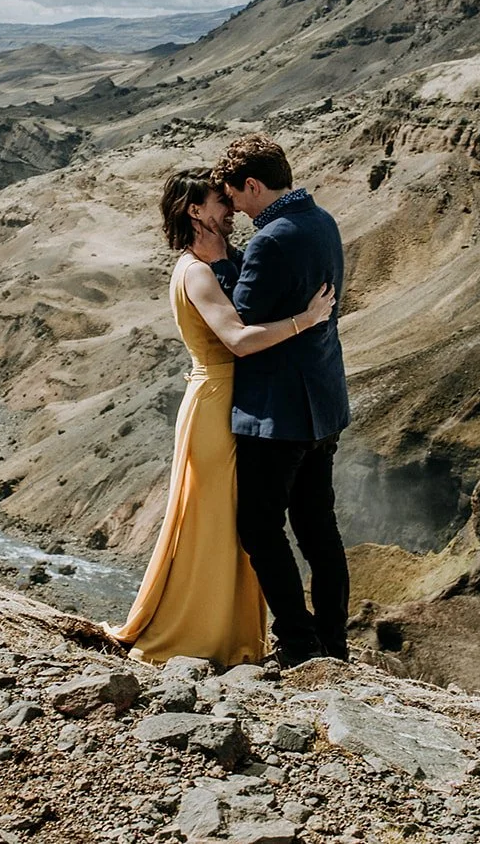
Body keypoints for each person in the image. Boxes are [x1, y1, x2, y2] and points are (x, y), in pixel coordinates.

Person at [106, 168, 334, 666]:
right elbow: (236, 340)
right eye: (219, 202)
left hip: (241, 403)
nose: (230, 208)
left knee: (236, 525)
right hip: (215, 403)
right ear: (195, 211)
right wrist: (307, 321)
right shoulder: (195, 272)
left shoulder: (226, 260)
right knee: (211, 523)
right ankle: (194, 634)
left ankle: (234, 634)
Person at [212, 136, 351, 667]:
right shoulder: (324, 221)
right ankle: (333, 645)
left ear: (253, 185)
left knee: (260, 527)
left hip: (277, 412)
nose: (236, 210)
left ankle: (297, 643)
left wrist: (218, 267)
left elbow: (242, 319)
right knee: (319, 528)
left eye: (237, 197)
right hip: (324, 401)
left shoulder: (270, 240)